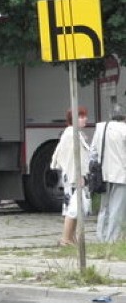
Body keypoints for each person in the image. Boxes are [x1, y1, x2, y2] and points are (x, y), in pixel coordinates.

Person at [50, 106, 90, 246]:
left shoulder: (74, 133)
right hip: (74, 176)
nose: (84, 119)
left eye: (84, 116)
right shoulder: (70, 134)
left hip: (75, 175)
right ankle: (66, 239)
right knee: (73, 208)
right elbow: (71, 159)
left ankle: (70, 238)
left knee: (74, 207)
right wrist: (77, 176)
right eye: (81, 116)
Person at [91, 104, 126, 242]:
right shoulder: (124, 130)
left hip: (103, 174)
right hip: (121, 174)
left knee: (104, 207)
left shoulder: (100, 128)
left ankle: (101, 236)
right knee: (117, 208)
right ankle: (112, 239)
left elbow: (93, 151)